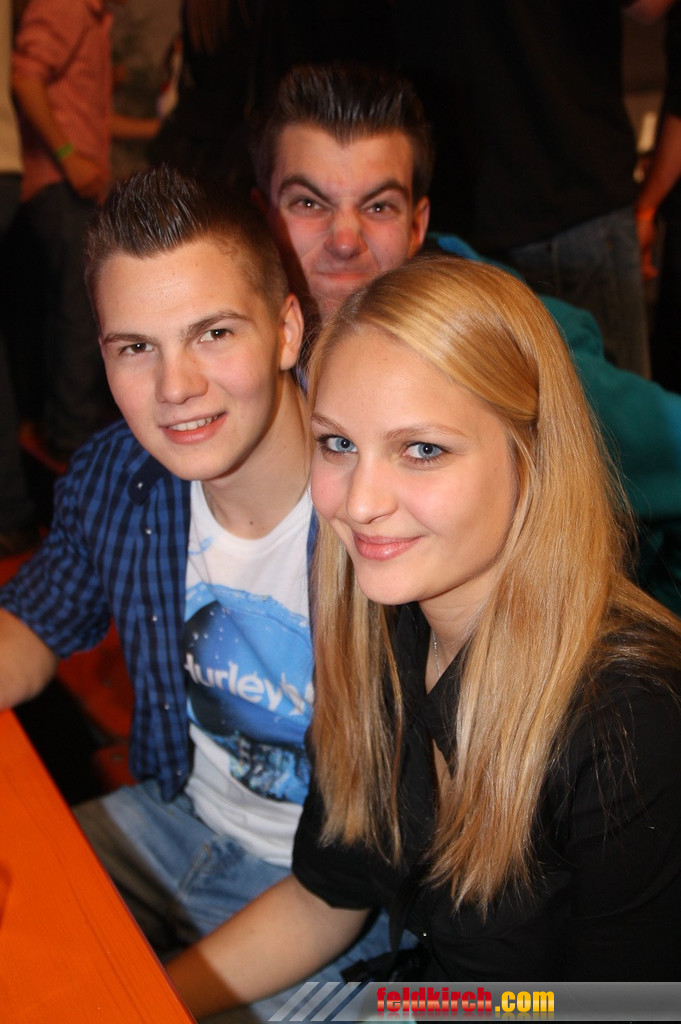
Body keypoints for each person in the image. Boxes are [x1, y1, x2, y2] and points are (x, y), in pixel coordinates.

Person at [167, 257, 681, 1018]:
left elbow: (619, 1009)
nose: (360, 503)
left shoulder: (632, 720)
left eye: (423, 450)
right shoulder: (382, 630)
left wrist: (425, 1005)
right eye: (338, 444)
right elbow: (324, 898)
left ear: (533, 458)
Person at [0, 165, 387, 1020]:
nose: (174, 388)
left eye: (212, 333)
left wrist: (134, 1000)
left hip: (338, 899)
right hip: (175, 818)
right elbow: (30, 626)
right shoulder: (122, 475)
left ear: (286, 329)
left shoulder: (382, 525)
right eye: (135, 348)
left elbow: (346, 886)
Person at [250, 62, 681, 616]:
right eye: (310, 204)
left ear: (417, 224)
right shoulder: (233, 355)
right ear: (263, 218)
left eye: (379, 206)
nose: (345, 240)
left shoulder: (511, 352)